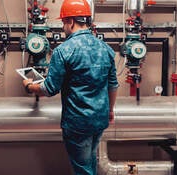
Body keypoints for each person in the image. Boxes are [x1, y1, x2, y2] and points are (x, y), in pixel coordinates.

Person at [22, 0, 118, 174]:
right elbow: (113, 84)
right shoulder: (106, 49)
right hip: (99, 120)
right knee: (90, 163)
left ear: (71, 21)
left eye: (63, 22)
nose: (63, 27)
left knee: (83, 169)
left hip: (78, 123)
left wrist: (29, 86)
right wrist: (110, 110)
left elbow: (49, 89)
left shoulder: (63, 51)